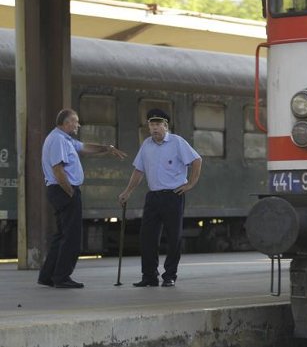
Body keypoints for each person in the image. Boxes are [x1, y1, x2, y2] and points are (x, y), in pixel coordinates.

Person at [38, 108, 127, 289]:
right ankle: (62, 277)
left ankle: (47, 276)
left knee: (62, 235)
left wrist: (107, 148)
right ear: (66, 123)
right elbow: (58, 169)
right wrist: (70, 191)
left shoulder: (66, 139)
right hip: (63, 190)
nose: (78, 124)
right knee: (71, 236)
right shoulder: (58, 140)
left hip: (61, 190)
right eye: (75, 121)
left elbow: (84, 147)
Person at [118, 108, 202, 287]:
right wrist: (128, 191)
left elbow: (196, 160)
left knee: (174, 237)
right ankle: (149, 276)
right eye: (151, 124)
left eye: (158, 124)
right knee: (147, 237)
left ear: (165, 125)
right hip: (153, 196)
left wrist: (190, 184)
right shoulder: (146, 145)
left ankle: (170, 275)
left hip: (173, 195)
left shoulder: (177, 142)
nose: (155, 128)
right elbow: (138, 170)